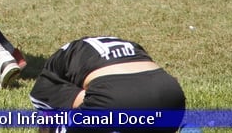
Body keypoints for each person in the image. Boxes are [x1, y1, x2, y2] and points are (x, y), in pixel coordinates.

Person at [30, 36, 186, 133]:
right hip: (171, 93)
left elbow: (49, 117)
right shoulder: (129, 45)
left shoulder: (48, 79)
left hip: (116, 95)